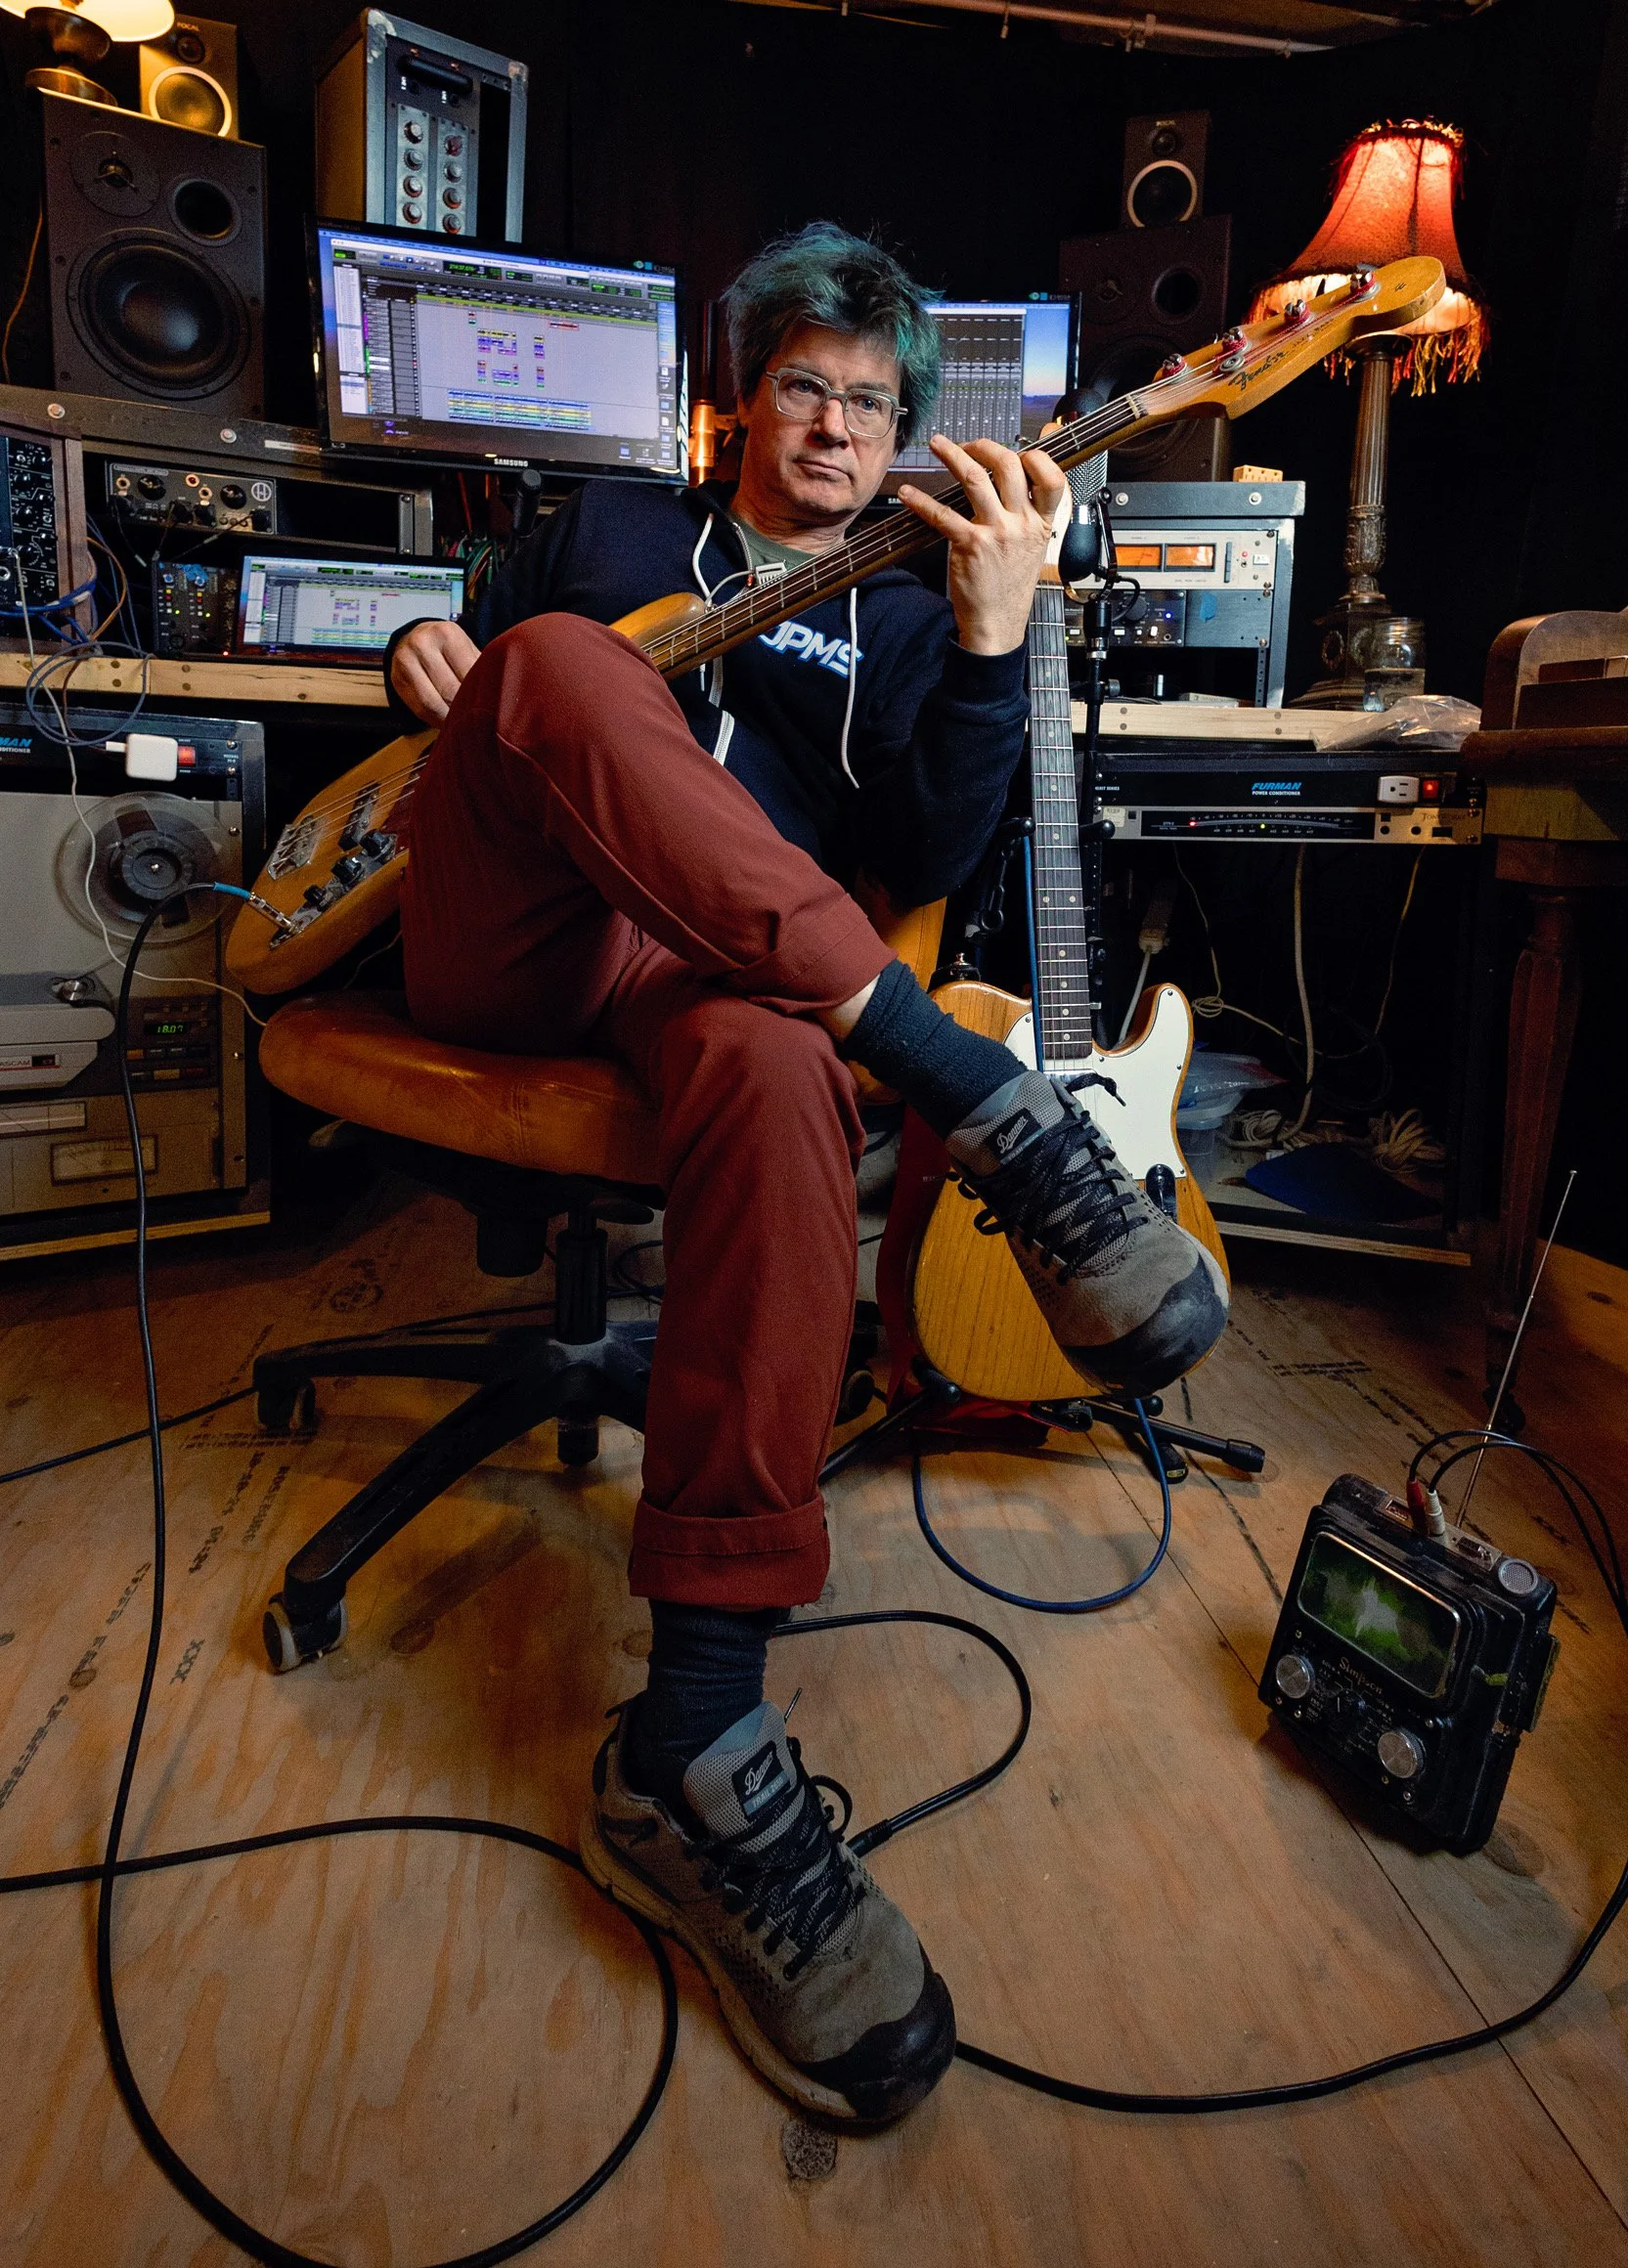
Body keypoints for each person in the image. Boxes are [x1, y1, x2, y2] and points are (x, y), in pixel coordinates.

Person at [384, 223, 1227, 2126]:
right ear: (736, 405)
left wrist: (1000, 633)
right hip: (511, 942)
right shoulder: (602, 528)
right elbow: (462, 665)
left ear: (906, 430)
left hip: (737, 989)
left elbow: (928, 840)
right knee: (548, 662)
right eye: (806, 385)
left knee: (780, 1062)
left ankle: (691, 1720)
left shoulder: (926, 606)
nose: (838, 421)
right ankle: (978, 1099)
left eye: (872, 397)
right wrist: (408, 646)